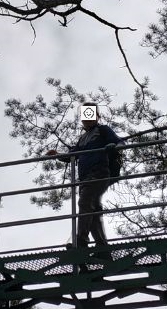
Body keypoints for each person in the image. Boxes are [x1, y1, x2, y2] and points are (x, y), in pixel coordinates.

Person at [46, 104, 123, 258]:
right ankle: (103, 249)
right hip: (85, 179)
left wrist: (113, 146)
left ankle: (81, 241)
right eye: (84, 116)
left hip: (100, 173)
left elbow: (120, 143)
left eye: (90, 115)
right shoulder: (82, 139)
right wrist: (57, 155)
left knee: (85, 203)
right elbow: (71, 156)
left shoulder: (103, 130)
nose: (87, 119)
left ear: (97, 116)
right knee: (93, 212)